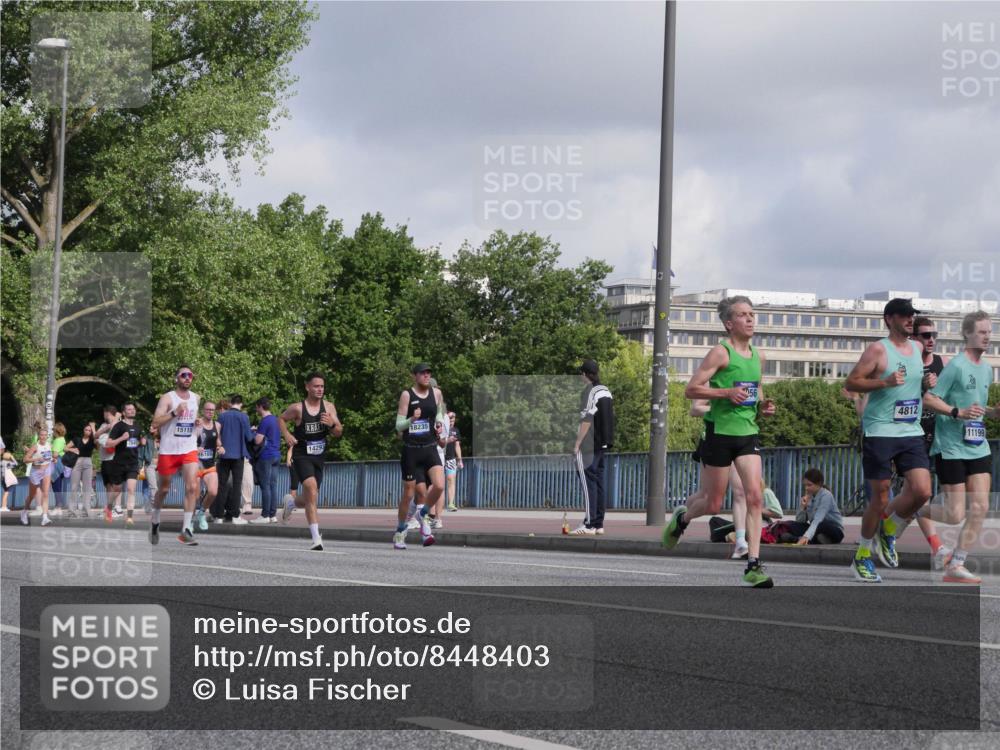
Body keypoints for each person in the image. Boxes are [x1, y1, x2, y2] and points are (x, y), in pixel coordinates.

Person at [661, 295, 777, 587]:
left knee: (754, 496)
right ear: (729, 323)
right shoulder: (720, 353)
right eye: (743, 315)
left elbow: (756, 389)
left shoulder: (758, 356)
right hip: (719, 435)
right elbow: (691, 390)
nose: (750, 319)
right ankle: (683, 520)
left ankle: (753, 565)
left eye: (752, 314)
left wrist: (763, 406)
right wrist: (725, 393)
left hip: (747, 434)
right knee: (713, 504)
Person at [845, 298, 933, 582]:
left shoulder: (918, 348)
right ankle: (861, 557)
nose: (910, 320)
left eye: (912, 316)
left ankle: (890, 529)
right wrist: (884, 382)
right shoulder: (878, 350)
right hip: (880, 430)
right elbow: (852, 382)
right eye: (905, 316)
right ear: (889, 318)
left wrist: (924, 384)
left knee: (922, 491)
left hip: (910, 431)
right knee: (880, 497)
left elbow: (910, 383)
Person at [922, 311, 998, 584]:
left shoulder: (987, 369)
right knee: (955, 514)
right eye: (981, 331)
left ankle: (957, 563)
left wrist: (993, 413)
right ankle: (917, 510)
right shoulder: (955, 366)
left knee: (979, 506)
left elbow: (976, 410)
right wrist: (956, 412)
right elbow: (930, 400)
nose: (987, 336)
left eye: (989, 331)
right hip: (951, 447)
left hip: (977, 445)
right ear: (967, 335)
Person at [280, 372, 342, 550]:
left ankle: (291, 502)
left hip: (319, 456)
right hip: (301, 454)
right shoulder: (298, 408)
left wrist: (331, 424)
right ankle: (316, 539)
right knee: (311, 488)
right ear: (307, 387)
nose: (320, 389)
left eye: (322, 386)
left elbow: (339, 432)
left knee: (311, 497)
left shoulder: (329, 407)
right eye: (316, 386)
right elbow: (282, 419)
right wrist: (287, 435)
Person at [392, 363, 446, 550]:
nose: (426, 375)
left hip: (430, 447)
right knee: (411, 494)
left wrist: (439, 423)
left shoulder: (436, 393)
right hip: (411, 450)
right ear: (414, 376)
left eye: (428, 372)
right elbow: (398, 426)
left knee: (439, 485)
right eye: (423, 373)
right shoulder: (407, 395)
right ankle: (400, 532)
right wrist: (412, 420)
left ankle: (421, 515)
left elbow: (438, 413)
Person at [910, 316, 950, 563]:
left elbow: (945, 395)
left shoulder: (940, 362)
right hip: (913, 434)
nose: (931, 340)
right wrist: (921, 386)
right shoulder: (907, 362)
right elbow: (894, 396)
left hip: (940, 432)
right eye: (926, 335)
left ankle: (886, 529)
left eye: (934, 335)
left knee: (953, 495)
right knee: (918, 493)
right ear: (914, 338)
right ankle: (938, 547)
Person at [691, 399, 750, 558]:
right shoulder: (712, 379)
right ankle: (682, 517)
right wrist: (721, 408)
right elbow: (695, 409)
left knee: (740, 492)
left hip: (740, 437)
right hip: (714, 440)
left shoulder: (747, 378)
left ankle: (740, 542)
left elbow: (755, 407)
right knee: (706, 496)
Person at [150, 365, 202, 546]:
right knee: (163, 490)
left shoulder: (196, 398)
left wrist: (197, 423)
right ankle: (155, 522)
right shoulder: (167, 398)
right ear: (177, 378)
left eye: (190, 376)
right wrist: (174, 412)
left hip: (189, 448)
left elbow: (192, 421)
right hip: (168, 450)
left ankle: (185, 530)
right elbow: (155, 422)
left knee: (192, 486)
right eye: (184, 375)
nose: (187, 378)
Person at [571, 359, 615, 536]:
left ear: (584, 374)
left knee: (588, 483)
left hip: (589, 444)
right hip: (603, 443)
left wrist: (577, 444)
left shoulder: (589, 391)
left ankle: (588, 524)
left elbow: (587, 419)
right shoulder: (606, 390)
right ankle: (598, 523)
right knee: (598, 483)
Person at [216, 395, 260, 525]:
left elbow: (217, 432)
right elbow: (248, 437)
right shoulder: (244, 417)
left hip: (224, 454)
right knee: (236, 485)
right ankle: (235, 515)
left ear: (231, 403)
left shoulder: (222, 416)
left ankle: (218, 516)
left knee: (222, 485)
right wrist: (253, 432)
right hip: (238, 455)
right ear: (241, 404)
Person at [779, 468, 845, 545]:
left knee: (821, 525)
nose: (806, 488)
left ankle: (799, 539)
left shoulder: (826, 496)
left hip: (833, 530)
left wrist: (806, 536)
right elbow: (800, 521)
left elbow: (818, 519)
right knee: (792, 525)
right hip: (816, 529)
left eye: (809, 485)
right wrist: (803, 508)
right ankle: (817, 539)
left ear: (819, 484)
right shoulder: (808, 496)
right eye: (805, 485)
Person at [105, 403, 142, 527]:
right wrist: (121, 438)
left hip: (133, 463)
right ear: (124, 413)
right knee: (117, 489)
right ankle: (109, 507)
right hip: (119, 463)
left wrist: (142, 442)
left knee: (131, 489)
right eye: (128, 409)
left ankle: (129, 517)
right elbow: (108, 443)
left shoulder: (138, 427)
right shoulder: (119, 426)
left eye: (133, 409)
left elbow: (136, 442)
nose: (131, 411)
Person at [252, 397, 281, 524]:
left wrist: (253, 432)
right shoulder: (276, 420)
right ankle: (272, 515)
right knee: (273, 485)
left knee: (265, 486)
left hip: (266, 456)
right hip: (276, 454)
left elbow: (258, 440)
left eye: (256, 407)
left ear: (260, 406)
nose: (256, 409)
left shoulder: (264, 421)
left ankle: (264, 515)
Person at [193, 401, 221, 530]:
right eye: (208, 409)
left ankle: (202, 513)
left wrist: (221, 447)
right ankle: (190, 519)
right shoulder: (197, 424)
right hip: (195, 465)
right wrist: (195, 449)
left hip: (210, 465)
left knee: (213, 492)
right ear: (203, 410)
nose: (210, 412)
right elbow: (186, 441)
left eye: (212, 410)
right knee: (195, 494)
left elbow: (218, 441)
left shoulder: (217, 425)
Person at [21, 425, 54, 526]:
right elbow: (25, 459)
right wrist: (36, 459)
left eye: (45, 435)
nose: (43, 437)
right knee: (32, 495)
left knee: (46, 493)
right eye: (41, 435)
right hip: (36, 471)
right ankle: (24, 512)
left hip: (46, 470)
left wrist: (52, 459)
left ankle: (44, 517)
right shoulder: (35, 446)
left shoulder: (49, 445)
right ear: (39, 436)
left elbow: (48, 457)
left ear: (47, 436)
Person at [95, 405, 120, 515]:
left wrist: (116, 419)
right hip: (104, 458)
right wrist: (105, 429)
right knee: (108, 485)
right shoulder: (103, 425)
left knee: (116, 484)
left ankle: (117, 507)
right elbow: (96, 436)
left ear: (107, 413)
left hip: (114, 458)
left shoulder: (119, 424)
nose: (103, 415)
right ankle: (109, 508)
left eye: (104, 413)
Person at [444, 412, 463, 512]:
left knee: (451, 480)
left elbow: (457, 445)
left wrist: (459, 460)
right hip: (440, 458)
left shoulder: (456, 431)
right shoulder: (441, 428)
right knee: (437, 483)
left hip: (451, 459)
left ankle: (451, 503)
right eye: (450, 417)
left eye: (453, 418)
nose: (452, 419)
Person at [49, 422, 69, 516]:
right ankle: (58, 507)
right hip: (62, 464)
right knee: (58, 486)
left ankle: (58, 507)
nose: (52, 432)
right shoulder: (62, 439)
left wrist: (48, 453)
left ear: (56, 431)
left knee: (56, 486)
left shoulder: (57, 440)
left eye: (53, 430)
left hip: (56, 464)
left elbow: (55, 454)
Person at [2, 439, 18, 512]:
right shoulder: (8, 464)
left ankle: (4, 506)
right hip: (7, 480)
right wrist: (12, 457)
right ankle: (3, 506)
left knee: (5, 492)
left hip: (2, 479)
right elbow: (16, 464)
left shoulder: (1, 462)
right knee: (6, 492)